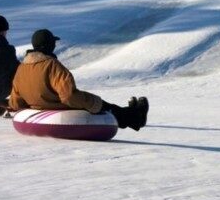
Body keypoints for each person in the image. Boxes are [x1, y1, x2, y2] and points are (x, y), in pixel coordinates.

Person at [9, 29, 149, 131]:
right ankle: (136, 118)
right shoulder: (52, 66)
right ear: (48, 46)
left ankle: (132, 113)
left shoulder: (22, 68)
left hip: (39, 108)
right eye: (53, 43)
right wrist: (92, 102)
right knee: (103, 105)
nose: (55, 46)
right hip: (59, 108)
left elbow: (15, 101)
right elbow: (69, 96)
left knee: (98, 103)